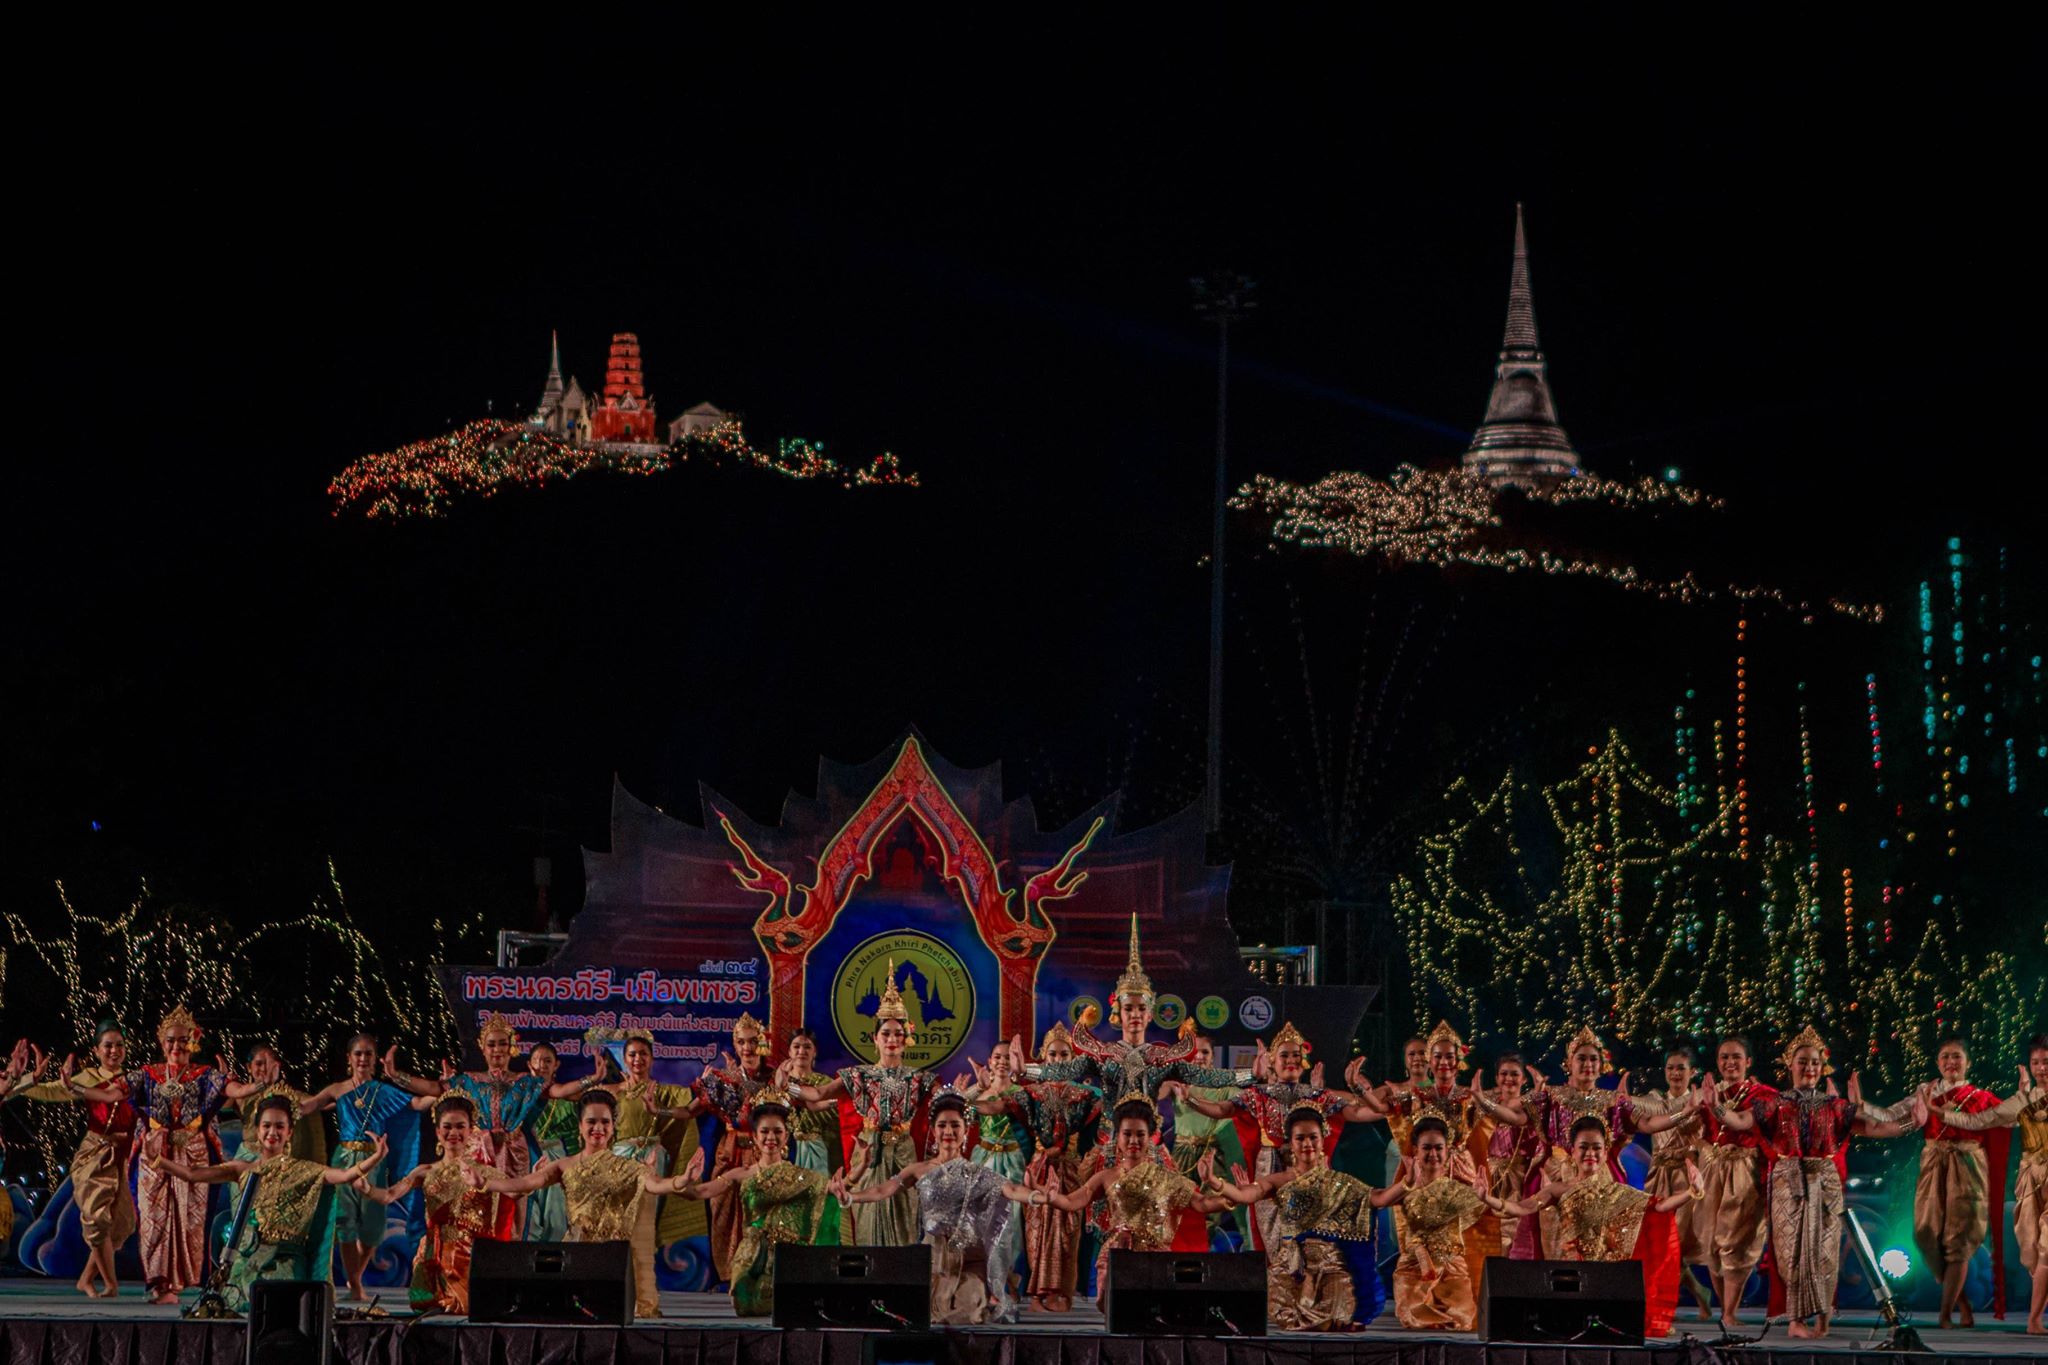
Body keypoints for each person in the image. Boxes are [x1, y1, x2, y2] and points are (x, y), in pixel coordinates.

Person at [1705, 1026, 1922, 1338]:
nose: (1809, 1068)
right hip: (1788, 1183)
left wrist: (1913, 1123)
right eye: (1803, 1062)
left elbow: (1875, 1128)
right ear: (1790, 1065)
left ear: (1823, 1068)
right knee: (1792, 1252)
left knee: (1825, 1252)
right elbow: (1739, 1121)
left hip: (1825, 1183)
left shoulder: (1835, 1106)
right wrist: (1715, 1106)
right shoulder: (1773, 1103)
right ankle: (1796, 1322)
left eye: (1815, 1063)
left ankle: (1822, 1320)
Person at [467, 1090, 701, 1320]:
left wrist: (683, 1179)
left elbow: (656, 1185)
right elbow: (526, 1182)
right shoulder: (564, 1166)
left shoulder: (628, 1167)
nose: (598, 1128)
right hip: (576, 1255)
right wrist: (485, 1183)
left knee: (608, 1316)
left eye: (605, 1122)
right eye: (591, 1121)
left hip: (612, 1259)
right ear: (580, 1126)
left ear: (613, 1127)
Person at [1020, 917, 1252, 1145]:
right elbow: (1063, 1070)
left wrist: (1251, 1075)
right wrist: (1025, 1070)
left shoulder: (1162, 1058)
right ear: (1118, 1013)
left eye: (1141, 1009)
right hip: (1109, 1142)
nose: (1135, 1015)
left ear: (1150, 1015)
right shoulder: (1103, 1056)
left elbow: (1207, 1076)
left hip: (1147, 1142)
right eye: (1129, 1009)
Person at [1475, 1024, 1695, 1258]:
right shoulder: (1552, 1096)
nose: (1588, 1064)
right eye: (1581, 1058)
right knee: (1556, 1242)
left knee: (1602, 1241)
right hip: (1557, 1175)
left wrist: (1685, 1113)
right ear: (1568, 1063)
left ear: (1602, 1065)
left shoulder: (1613, 1100)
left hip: (1599, 1176)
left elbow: (1648, 1124)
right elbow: (1517, 1118)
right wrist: (1483, 1101)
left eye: (1593, 1059)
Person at [1164, 1020, 1379, 1252]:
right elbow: (1222, 1110)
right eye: (1284, 1055)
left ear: (1304, 1061)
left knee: (1311, 1234)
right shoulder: (1258, 1095)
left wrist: (1363, 1091)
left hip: (1308, 1168)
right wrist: (1189, 1099)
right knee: (1271, 1236)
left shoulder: (1318, 1095)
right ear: (1272, 1063)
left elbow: (1361, 1113)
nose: (1290, 1060)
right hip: (1269, 1167)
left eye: (1296, 1055)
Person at [1478, 1115, 1701, 1337]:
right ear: (1572, 1151)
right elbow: (1521, 1208)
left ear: (1605, 1153)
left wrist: (1691, 1191)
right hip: (1571, 1280)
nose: (1590, 1154)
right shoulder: (1559, 1190)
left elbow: (1659, 1207)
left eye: (1597, 1148)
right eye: (1583, 1147)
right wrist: (1487, 1198)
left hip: (1607, 1282)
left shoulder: (1619, 1193)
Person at [66, 1004, 230, 1304]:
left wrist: (256, 1085)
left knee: (169, 1221)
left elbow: (230, 1091)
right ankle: (153, 1284)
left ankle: (169, 1285)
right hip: (138, 1155)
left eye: (183, 1040)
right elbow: (110, 1094)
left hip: (186, 1153)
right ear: (161, 1042)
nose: (176, 1046)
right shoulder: (146, 1074)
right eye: (171, 1040)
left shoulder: (202, 1074)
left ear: (193, 1040)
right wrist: (74, 1088)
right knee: (145, 1219)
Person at [145, 1094, 371, 1312]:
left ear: (289, 1132)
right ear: (258, 1130)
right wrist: (158, 1160)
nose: (272, 1132)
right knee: (235, 1298)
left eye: (279, 1126)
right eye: (266, 1126)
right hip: (249, 1259)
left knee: (277, 1298)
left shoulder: (304, 1170)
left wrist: (373, 1159)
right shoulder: (242, 1168)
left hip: (286, 1260)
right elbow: (192, 1174)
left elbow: (344, 1175)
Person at [836, 1090, 1039, 1324]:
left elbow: (1011, 1189)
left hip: (967, 1262)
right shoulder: (918, 1170)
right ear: (933, 1130)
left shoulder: (976, 1173)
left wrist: (1037, 1196)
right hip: (930, 1261)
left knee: (969, 1307)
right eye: (942, 1125)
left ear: (966, 1130)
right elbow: (883, 1190)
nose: (948, 1132)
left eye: (955, 1125)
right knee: (910, 1309)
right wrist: (850, 1198)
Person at [777, 964, 944, 1247]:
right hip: (868, 1152)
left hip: (904, 1152)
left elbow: (949, 1101)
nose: (892, 1040)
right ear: (875, 1039)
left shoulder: (920, 1078)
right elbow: (817, 1094)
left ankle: (901, 1271)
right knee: (866, 1218)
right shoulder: (858, 1075)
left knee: (905, 1219)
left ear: (907, 1039)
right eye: (886, 1034)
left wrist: (976, 1089)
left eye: (898, 1034)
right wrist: (788, 1086)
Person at [385, 1013, 599, 1231]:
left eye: (502, 1043)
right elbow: (435, 1088)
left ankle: (510, 1250)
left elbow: (558, 1091)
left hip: (515, 1151)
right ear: (482, 1047)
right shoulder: (470, 1081)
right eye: (491, 1044)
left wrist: (592, 1078)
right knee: (474, 1208)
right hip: (479, 1151)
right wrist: (396, 1076)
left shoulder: (524, 1082)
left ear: (511, 1046)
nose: (497, 1049)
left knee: (513, 1213)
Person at [1034, 1093, 1238, 1315]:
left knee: (1152, 1315)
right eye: (1127, 1134)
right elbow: (1073, 1200)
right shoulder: (1106, 1176)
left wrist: (1228, 1192)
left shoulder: (1166, 1177)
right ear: (1118, 1137)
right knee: (1116, 1311)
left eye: (1140, 1134)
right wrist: (1051, 1197)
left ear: (1150, 1137)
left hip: (1156, 1258)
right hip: (1118, 1254)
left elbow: (1202, 1204)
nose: (1133, 1141)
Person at [1209, 1103, 1406, 1331]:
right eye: (1300, 1138)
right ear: (1290, 1143)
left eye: (1313, 1137)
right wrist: (1216, 1183)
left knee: (1337, 1316)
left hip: (1331, 1269)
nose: (1307, 1144)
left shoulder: (1340, 1182)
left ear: (1322, 1139)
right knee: (1289, 1316)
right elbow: (1247, 1194)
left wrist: (1408, 1181)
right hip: (1292, 1271)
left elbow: (1378, 1199)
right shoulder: (1280, 1180)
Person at [1865, 1036, 2009, 1328]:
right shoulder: (1925, 1092)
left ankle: (1945, 1314)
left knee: (1958, 1241)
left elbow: (2009, 1119)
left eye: (1957, 1056)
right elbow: (1890, 1114)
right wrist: (1860, 1104)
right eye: (1945, 1057)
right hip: (1933, 1163)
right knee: (1925, 1234)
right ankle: (1962, 1302)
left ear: (1968, 1062)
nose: (1951, 1062)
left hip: (1967, 1166)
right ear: (1937, 1062)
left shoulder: (1980, 1097)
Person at [7, 1021, 139, 1298]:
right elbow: (49, 1091)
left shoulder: (134, 1080)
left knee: (122, 1224)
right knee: (97, 1219)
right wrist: (24, 1079)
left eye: (119, 1045)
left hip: (124, 1156)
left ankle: (86, 1279)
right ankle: (110, 1285)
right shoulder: (88, 1078)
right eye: (108, 1046)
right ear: (97, 1050)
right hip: (96, 1154)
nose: (114, 1051)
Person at [357, 1093, 516, 1314]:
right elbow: (388, 1196)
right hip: (433, 1258)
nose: (453, 1133)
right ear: (438, 1132)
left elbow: (516, 1190)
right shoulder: (424, 1172)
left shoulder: (484, 1174)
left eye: (460, 1126)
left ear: (471, 1131)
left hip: (468, 1259)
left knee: (465, 1312)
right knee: (428, 1313)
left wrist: (539, 1176)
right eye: (447, 1127)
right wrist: (366, 1187)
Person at [673, 1099, 835, 1317]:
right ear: (755, 1137)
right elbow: (699, 1193)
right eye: (764, 1132)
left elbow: (834, 1189)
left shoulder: (801, 1177)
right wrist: (682, 1181)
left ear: (786, 1136)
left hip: (785, 1258)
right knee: (744, 1305)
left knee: (783, 1307)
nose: (771, 1138)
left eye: (777, 1132)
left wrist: (860, 1169)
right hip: (751, 1255)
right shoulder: (740, 1174)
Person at [300, 1032, 422, 1301]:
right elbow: (307, 1106)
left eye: (368, 1054)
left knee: (372, 1229)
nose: (363, 1058)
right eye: (358, 1053)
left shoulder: (383, 1091)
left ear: (375, 1059)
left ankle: (354, 1277)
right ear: (349, 1058)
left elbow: (417, 1103)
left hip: (374, 1161)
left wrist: (445, 1091)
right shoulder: (337, 1089)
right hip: (344, 1159)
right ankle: (355, 1286)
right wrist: (277, 1098)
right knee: (345, 1223)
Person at [1938, 1035, 2048, 1334]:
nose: (2041, 1068)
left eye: (2046, 1062)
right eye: (2036, 1062)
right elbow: (1983, 1120)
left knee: (2046, 1251)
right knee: (2030, 1253)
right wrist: (1944, 1115)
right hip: (2030, 1180)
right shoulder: (2023, 1100)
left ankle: (2034, 1320)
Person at [989, 1022, 1100, 1311]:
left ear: (1073, 1060)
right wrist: (976, 1095)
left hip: (1072, 1171)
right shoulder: (1031, 1093)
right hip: (1039, 1171)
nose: (1058, 1060)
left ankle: (1065, 1293)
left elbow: (1098, 1126)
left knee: (1069, 1234)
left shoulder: (1088, 1095)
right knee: (1036, 1234)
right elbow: (1004, 1109)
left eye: (1064, 1055)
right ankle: (1038, 1294)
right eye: (1052, 1054)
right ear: (1043, 1057)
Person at [600, 1029, 699, 1317]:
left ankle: (645, 1301)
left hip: (652, 1161)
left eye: (643, 1054)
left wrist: (658, 1112)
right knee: (619, 1228)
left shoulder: (662, 1091)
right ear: (624, 1058)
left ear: (652, 1059)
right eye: (632, 1054)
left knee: (644, 1230)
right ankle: (617, 1297)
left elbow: (689, 1111)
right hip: (619, 1162)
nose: (638, 1059)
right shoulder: (611, 1092)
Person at [683, 1012, 777, 1281]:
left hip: (763, 1153)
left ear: (762, 1043)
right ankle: (726, 1275)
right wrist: (658, 1111)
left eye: (753, 1041)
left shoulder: (774, 1078)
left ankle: (757, 1274)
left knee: (759, 1213)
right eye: (741, 1042)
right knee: (722, 1209)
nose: (747, 1047)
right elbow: (690, 1111)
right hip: (730, 1151)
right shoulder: (722, 1078)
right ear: (734, 1045)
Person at [1692, 1035, 1775, 1332]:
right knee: (1710, 1242)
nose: (1730, 1062)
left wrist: (1715, 1106)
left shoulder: (1763, 1095)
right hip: (1711, 1169)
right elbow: (1686, 1123)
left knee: (1736, 1241)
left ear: (1748, 1062)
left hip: (1744, 1171)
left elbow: (1741, 1122)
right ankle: (1722, 1308)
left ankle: (1730, 1312)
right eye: (1724, 1057)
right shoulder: (1708, 1092)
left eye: (1736, 1057)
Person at [1628, 1045, 1712, 1323]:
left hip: (1686, 1177)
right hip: (1658, 1175)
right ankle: (1697, 1292)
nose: (1676, 1073)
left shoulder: (1701, 1100)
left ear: (1693, 1072)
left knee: (1675, 1243)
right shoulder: (1655, 1100)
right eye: (1671, 1068)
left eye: (1681, 1068)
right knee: (1657, 1242)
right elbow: (1631, 1108)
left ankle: (1662, 1308)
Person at [1383, 1116, 1488, 1330]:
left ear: (1447, 1150)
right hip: (1415, 1266)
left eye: (1439, 1148)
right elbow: (1380, 1201)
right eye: (1427, 1148)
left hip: (1451, 1265)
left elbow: (1487, 1209)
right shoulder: (1405, 1187)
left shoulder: (1456, 1188)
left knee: (1463, 1320)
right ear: (1416, 1150)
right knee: (1414, 1317)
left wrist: (1484, 1196)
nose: (1433, 1154)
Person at [959, 1041, 1032, 1303]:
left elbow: (993, 1107)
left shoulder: (1020, 1094)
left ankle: (1006, 1282)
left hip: (1012, 1162)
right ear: (989, 1062)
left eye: (1007, 1057)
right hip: (984, 1160)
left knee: (1009, 1226)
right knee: (983, 1224)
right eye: (997, 1057)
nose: (1001, 1062)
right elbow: (956, 1109)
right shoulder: (981, 1091)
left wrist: (969, 1097)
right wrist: (975, 1089)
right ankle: (988, 1285)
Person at [1160, 1032, 1249, 1246]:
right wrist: (1169, 1079)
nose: (1199, 1056)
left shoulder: (1223, 1086)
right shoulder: (1177, 1082)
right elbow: (1157, 1093)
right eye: (1194, 1052)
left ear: (1213, 1056)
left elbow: (1243, 1099)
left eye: (1205, 1052)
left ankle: (1203, 1251)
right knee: (1177, 1206)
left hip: (1211, 1155)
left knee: (1210, 1210)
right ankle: (1176, 1252)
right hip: (1181, 1153)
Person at [1470, 1051, 1545, 1270]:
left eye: (1514, 1074)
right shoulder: (1484, 1103)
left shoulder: (1527, 1105)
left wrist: (1481, 1099)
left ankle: (1509, 1277)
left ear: (1523, 1079)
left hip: (1516, 1178)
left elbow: (1515, 1118)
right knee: (1484, 1232)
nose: (1508, 1079)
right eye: (1504, 1074)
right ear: (1496, 1078)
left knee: (1512, 1232)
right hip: (1486, 1174)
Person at [222, 1044, 327, 1163]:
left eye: (269, 1064)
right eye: (259, 1064)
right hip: (248, 1157)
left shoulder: (291, 1096)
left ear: (277, 1067)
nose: (263, 1069)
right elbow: (221, 1105)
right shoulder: (241, 1094)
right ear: (249, 1067)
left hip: (279, 1158)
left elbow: (318, 1103)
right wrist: (223, 1081)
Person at [522, 1041, 582, 1241]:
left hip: (554, 1158)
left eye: (548, 1061)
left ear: (556, 1065)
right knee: (527, 1213)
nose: (542, 1065)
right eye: (537, 1060)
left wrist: (574, 1172)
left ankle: (552, 1255)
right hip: (525, 1157)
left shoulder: (566, 1100)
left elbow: (573, 1139)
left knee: (554, 1217)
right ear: (529, 1064)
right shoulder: (518, 1098)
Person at [780, 1028, 841, 1176]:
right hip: (785, 1150)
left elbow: (836, 1115)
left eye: (807, 1047)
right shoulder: (778, 1082)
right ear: (789, 1052)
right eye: (796, 1046)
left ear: (815, 1052)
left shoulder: (825, 1084)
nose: (801, 1051)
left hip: (817, 1150)